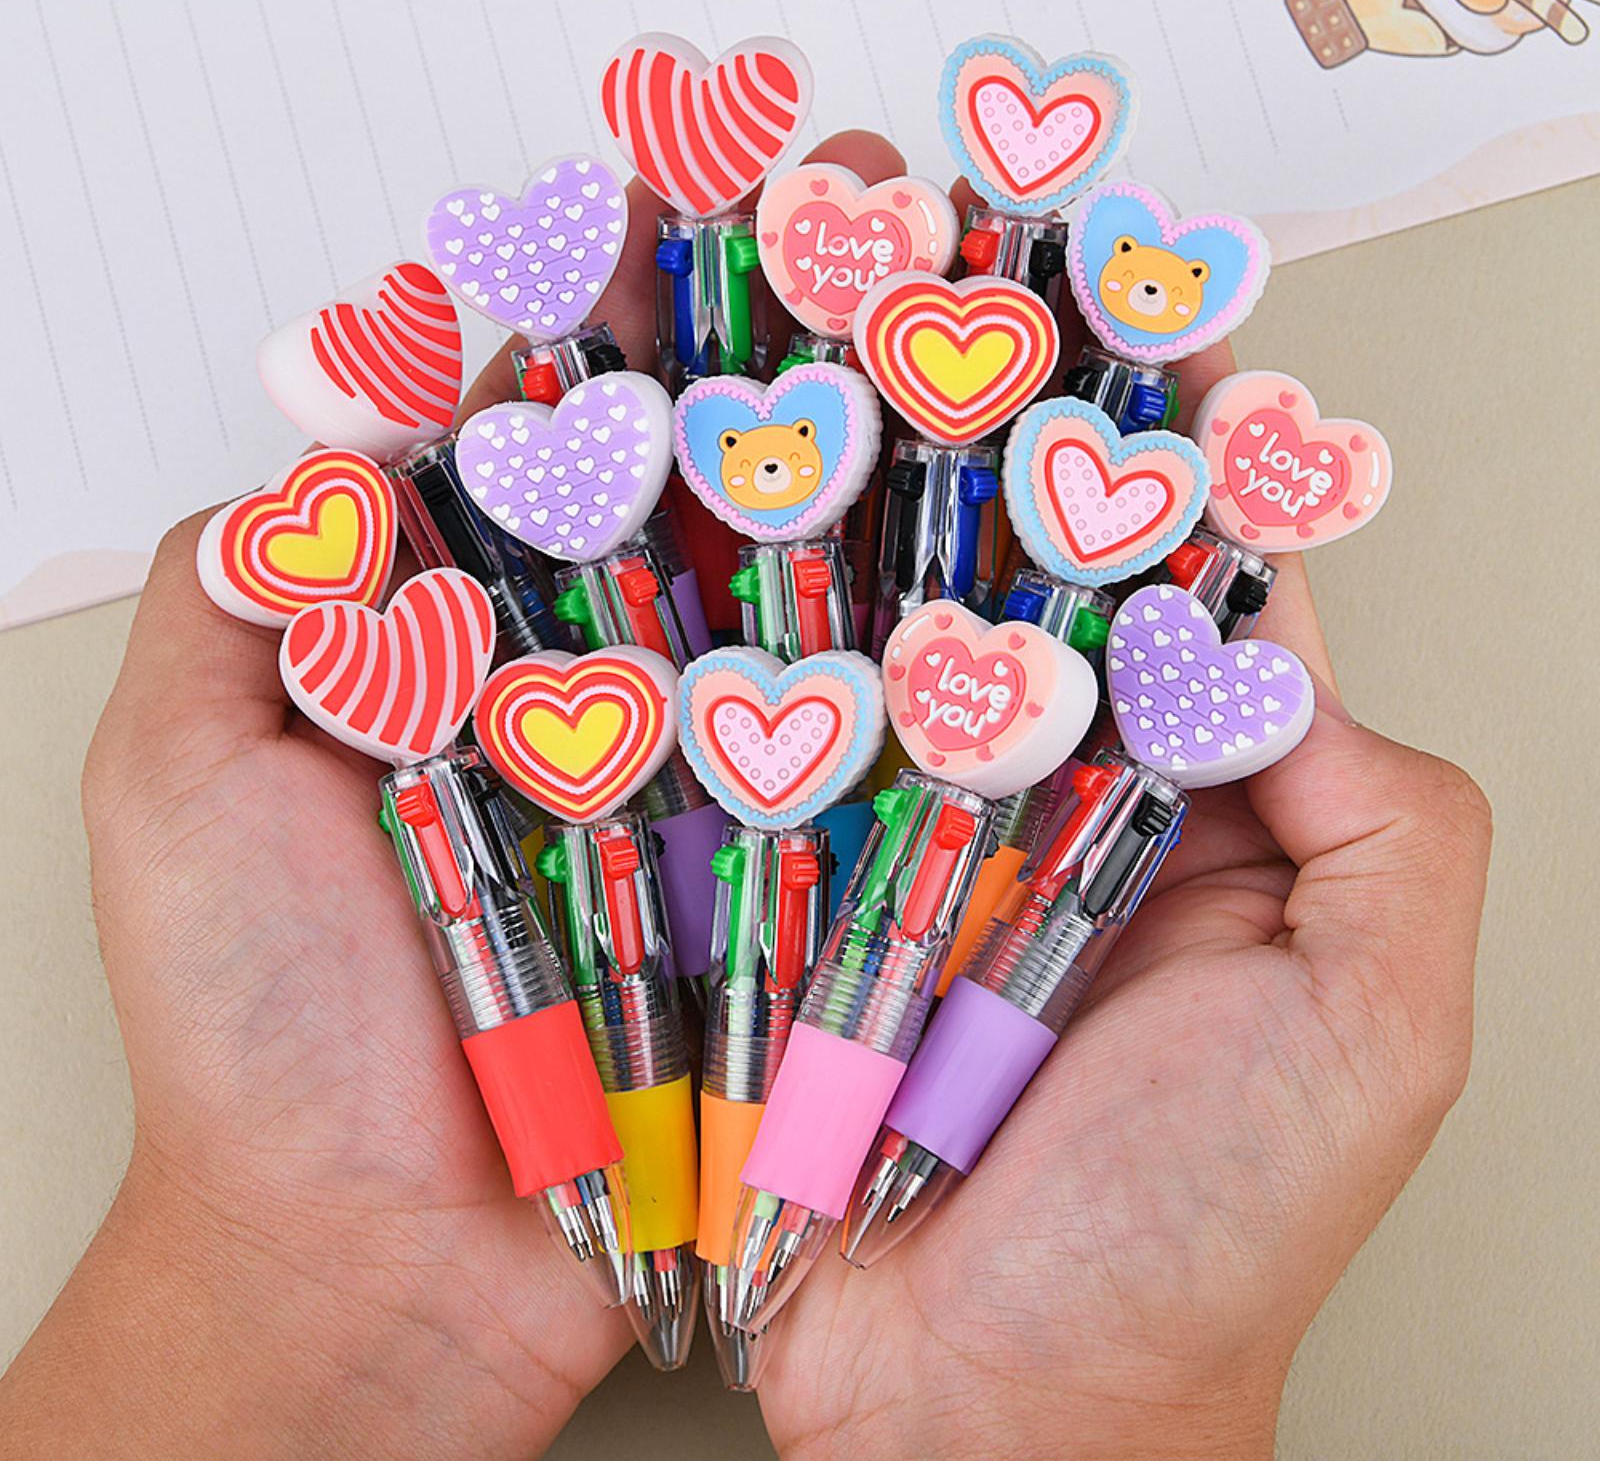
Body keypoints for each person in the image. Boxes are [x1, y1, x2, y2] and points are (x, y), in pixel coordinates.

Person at [0, 133, 1491, 1459]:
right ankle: (669, 1227)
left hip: (876, 818)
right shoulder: (538, 712)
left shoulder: (1042, 786)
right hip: (710, 867)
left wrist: (286, 1290)